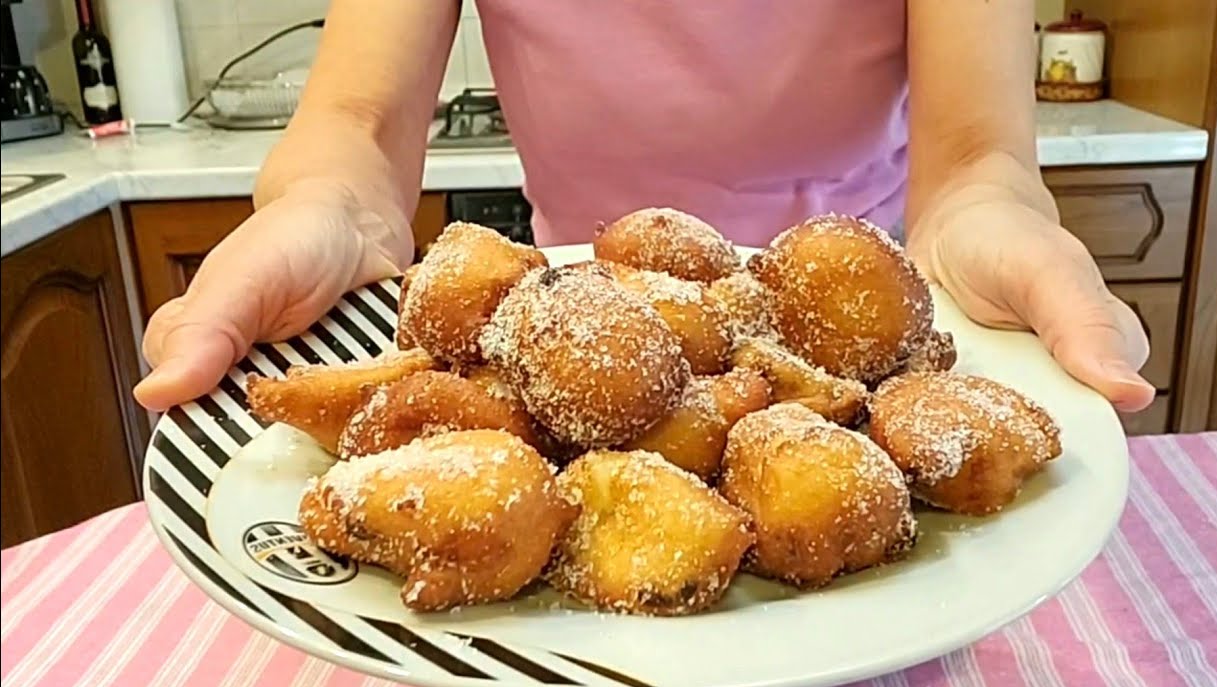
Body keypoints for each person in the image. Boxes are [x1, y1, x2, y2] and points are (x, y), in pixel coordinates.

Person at [133, 1, 1154, 414]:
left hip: (859, 351)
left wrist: (989, 215)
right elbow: (356, 124)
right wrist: (326, 205)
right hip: (567, 335)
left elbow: (976, 157)